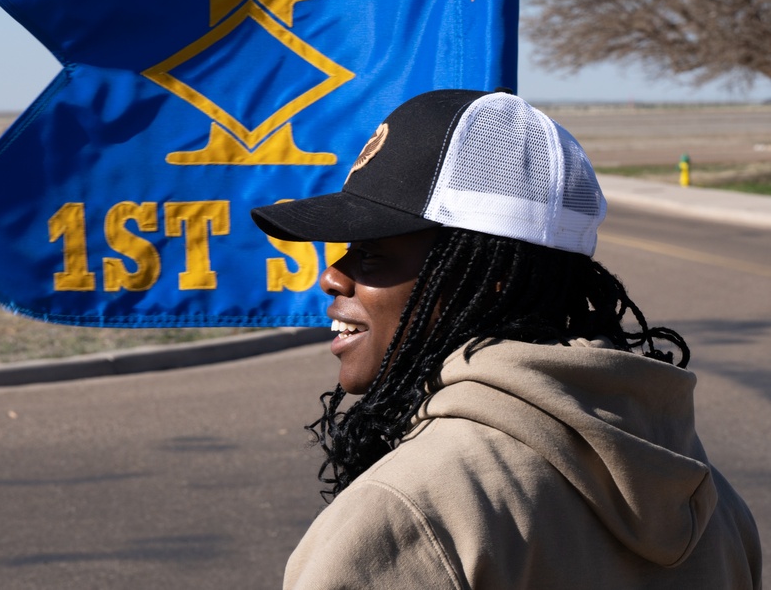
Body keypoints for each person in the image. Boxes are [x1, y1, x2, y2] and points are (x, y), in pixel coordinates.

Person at [251, 89, 762, 589]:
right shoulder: (707, 500)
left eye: (371, 255)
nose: (332, 277)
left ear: (490, 282)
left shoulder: (405, 512)